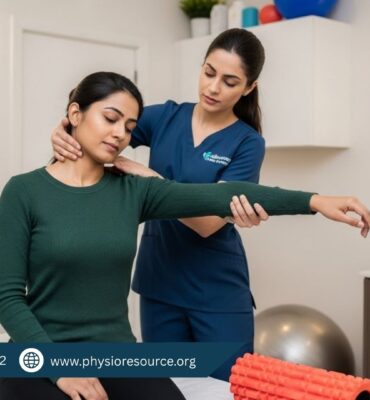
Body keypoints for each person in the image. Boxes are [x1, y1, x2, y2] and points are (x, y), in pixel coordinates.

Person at [2, 71, 366, 400]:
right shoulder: (24, 191)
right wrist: (58, 368)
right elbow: (6, 296)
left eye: (129, 127)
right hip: (39, 353)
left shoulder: (133, 191)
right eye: (110, 119)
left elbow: (221, 196)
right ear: (75, 115)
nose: (119, 134)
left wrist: (316, 201)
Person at [51, 28, 268, 381]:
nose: (213, 88)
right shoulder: (164, 117)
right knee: (164, 388)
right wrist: (63, 128)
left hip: (217, 293)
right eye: (209, 72)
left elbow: (209, 222)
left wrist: (147, 177)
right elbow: (98, 133)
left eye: (230, 81)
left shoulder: (247, 143)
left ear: (248, 88)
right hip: (159, 284)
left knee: (225, 391)